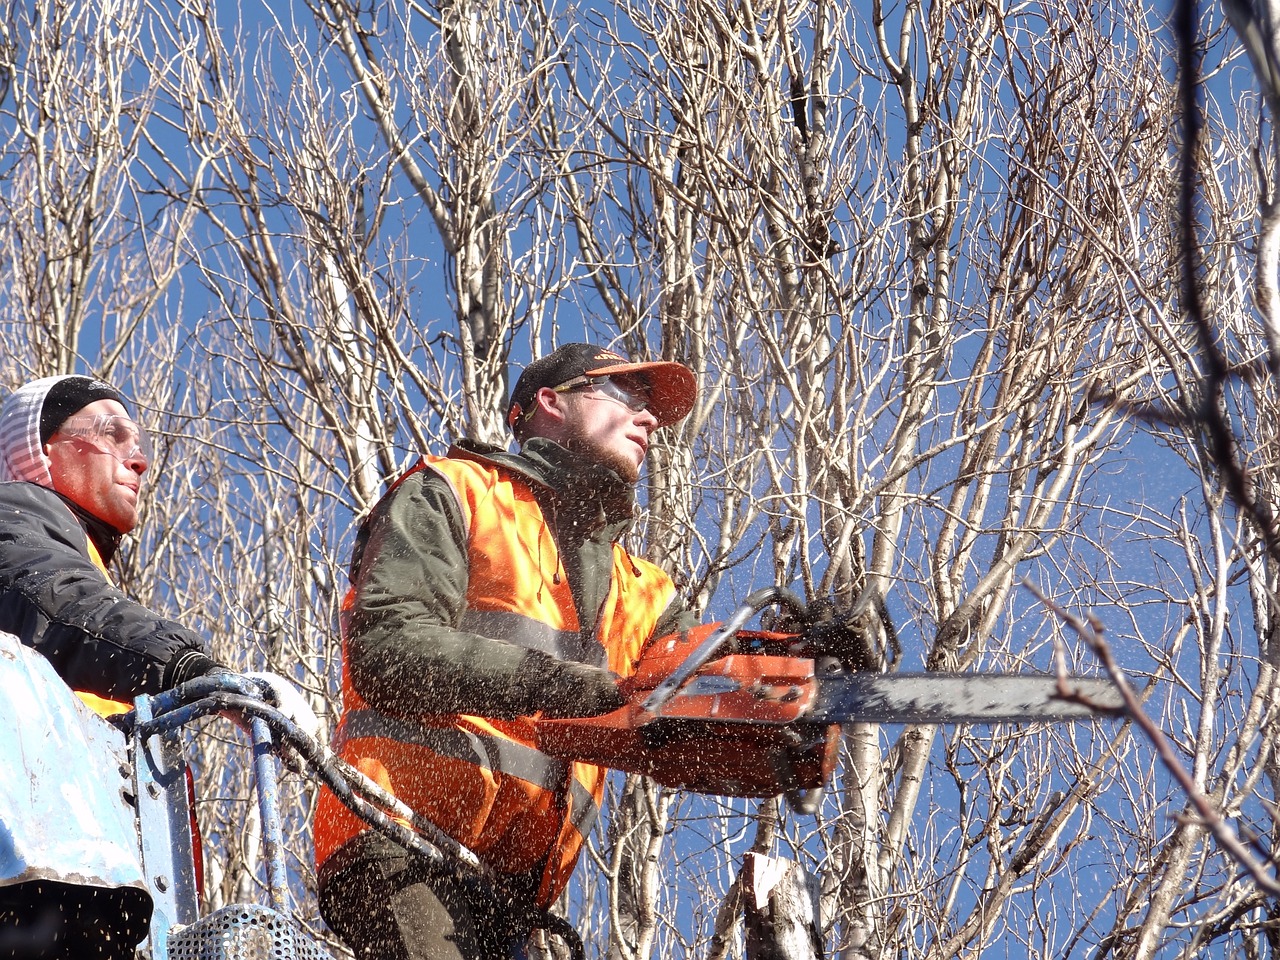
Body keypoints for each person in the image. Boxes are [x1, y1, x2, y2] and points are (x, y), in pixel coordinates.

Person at [315, 344, 701, 960]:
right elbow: (389, 651)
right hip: (397, 836)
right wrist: (564, 685)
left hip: (511, 898)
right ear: (551, 402)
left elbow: (710, 690)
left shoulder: (642, 590)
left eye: (651, 406)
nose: (648, 418)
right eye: (626, 395)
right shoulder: (454, 491)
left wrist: (813, 654)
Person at [0, 374, 310, 958]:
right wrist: (198, 671)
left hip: (90, 880)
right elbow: (60, 606)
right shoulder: (14, 519)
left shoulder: (76, 552)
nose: (138, 459)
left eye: (139, 442)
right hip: (39, 876)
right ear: (38, 451)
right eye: (110, 434)